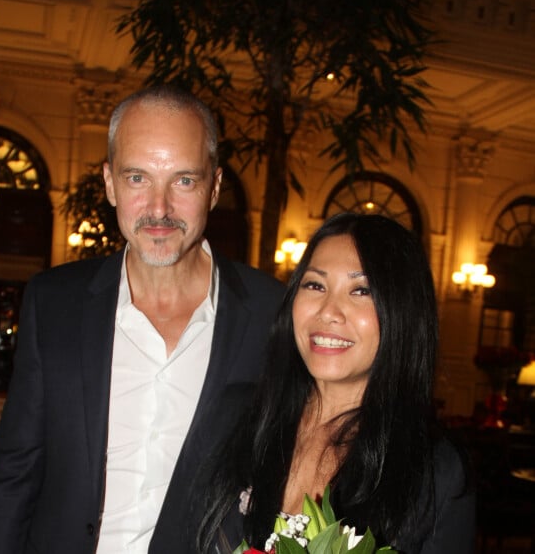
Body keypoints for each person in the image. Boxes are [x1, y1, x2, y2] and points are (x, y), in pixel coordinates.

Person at [0, 86, 285, 554]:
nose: (159, 209)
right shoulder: (55, 302)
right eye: (138, 177)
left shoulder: (269, 312)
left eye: (183, 181)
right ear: (110, 183)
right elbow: (14, 475)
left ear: (215, 188)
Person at [199, 213, 476, 554]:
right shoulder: (236, 416)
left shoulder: (434, 474)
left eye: (361, 290)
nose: (329, 311)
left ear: (402, 313)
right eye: (315, 285)